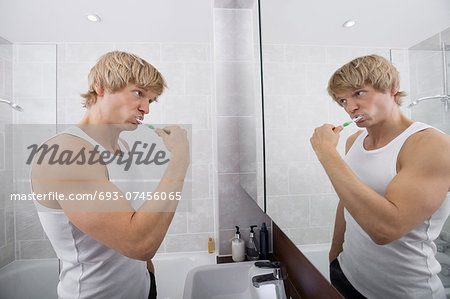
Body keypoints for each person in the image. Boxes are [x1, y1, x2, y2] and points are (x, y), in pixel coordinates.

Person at [30, 51, 190, 299]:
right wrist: (180, 158)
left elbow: (130, 218)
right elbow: (139, 243)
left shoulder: (121, 148)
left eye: (151, 100)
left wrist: (149, 275)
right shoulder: (64, 153)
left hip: (143, 287)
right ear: (101, 86)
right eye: (139, 93)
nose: (145, 109)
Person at [310, 54, 450, 298]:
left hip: (403, 292)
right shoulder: (354, 141)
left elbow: (385, 230)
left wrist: (325, 153)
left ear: (392, 88)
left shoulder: (432, 144)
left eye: (359, 93)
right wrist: (335, 257)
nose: (350, 107)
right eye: (343, 100)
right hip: (347, 274)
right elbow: (348, 199)